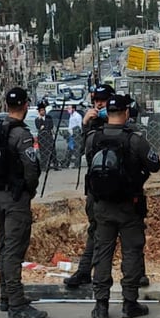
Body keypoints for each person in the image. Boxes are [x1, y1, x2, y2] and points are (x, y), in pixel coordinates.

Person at [83, 94, 160, 318]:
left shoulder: (93, 138)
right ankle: (129, 302)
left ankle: (101, 304)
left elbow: (89, 163)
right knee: (131, 252)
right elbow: (154, 164)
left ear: (107, 112)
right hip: (129, 206)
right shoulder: (134, 139)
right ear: (126, 113)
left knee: (102, 252)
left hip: (102, 206)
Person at [0, 87, 47, 318]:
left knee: (4, 246)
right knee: (14, 249)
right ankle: (16, 303)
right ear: (25, 106)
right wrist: (30, 190)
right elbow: (31, 168)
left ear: (6, 106)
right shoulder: (22, 134)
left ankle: (6, 296)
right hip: (16, 198)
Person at [64, 84, 116, 289]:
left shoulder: (121, 121)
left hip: (121, 189)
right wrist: (86, 125)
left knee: (130, 235)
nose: (98, 105)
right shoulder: (92, 125)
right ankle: (85, 271)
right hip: (97, 189)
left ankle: (138, 275)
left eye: (102, 101)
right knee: (95, 231)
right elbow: (85, 153)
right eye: (96, 101)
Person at [34, 103, 58, 172]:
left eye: (43, 110)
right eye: (41, 110)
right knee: (43, 152)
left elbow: (50, 126)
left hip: (49, 136)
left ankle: (55, 165)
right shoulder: (37, 119)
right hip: (42, 138)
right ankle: (44, 166)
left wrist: (44, 126)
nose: (43, 111)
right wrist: (43, 126)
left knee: (52, 151)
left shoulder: (48, 118)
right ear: (39, 112)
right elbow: (39, 127)